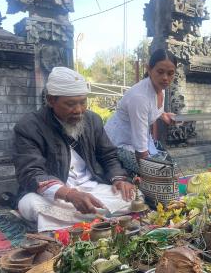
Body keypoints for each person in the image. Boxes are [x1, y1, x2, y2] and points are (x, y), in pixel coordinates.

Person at [13, 67, 134, 232]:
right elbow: (31, 172)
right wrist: (69, 194)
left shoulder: (93, 120)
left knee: (132, 196)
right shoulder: (28, 127)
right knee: (31, 204)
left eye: (83, 102)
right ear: (51, 100)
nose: (78, 110)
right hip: (55, 195)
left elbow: (108, 155)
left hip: (91, 188)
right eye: (70, 104)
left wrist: (118, 179)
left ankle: (71, 222)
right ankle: (98, 217)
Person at [105, 49, 177, 175]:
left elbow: (154, 110)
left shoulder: (160, 87)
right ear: (149, 69)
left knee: (170, 166)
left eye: (170, 73)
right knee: (161, 172)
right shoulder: (139, 98)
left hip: (135, 141)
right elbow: (141, 150)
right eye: (160, 72)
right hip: (116, 145)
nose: (165, 78)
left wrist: (164, 115)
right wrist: (149, 173)